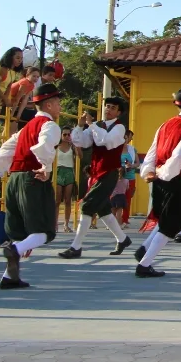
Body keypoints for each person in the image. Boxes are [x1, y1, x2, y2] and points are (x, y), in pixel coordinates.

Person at [0, 84, 63, 289]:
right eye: (57, 102)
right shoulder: (50, 126)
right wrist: (45, 166)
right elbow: (44, 145)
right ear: (48, 104)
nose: (60, 106)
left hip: (14, 180)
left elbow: (6, 150)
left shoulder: (25, 128)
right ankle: (16, 250)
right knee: (44, 230)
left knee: (20, 233)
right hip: (33, 180)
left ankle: (9, 276)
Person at [134, 88, 181, 277]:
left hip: (159, 179)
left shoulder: (165, 125)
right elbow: (178, 157)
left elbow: (152, 152)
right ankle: (145, 264)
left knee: (165, 219)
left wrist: (148, 172)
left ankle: (144, 249)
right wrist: (164, 174)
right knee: (172, 224)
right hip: (174, 179)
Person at [59, 96, 131, 258]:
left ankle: (76, 247)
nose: (108, 110)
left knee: (86, 205)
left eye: (112, 108)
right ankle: (122, 238)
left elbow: (107, 141)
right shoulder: (97, 125)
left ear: (118, 112)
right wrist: (79, 125)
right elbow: (81, 142)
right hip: (97, 172)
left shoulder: (119, 128)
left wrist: (91, 125)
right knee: (103, 209)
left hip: (109, 173)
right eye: (107, 106)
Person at [55, 127, 77, 233]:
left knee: (68, 200)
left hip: (69, 172)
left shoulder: (72, 147)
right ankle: (55, 224)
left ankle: (66, 224)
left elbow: (80, 156)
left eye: (69, 134)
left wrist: (75, 146)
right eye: (65, 135)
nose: (67, 136)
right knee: (57, 200)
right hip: (58, 171)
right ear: (61, 135)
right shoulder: (56, 147)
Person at [120, 130, 138, 228]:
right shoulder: (115, 149)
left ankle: (125, 219)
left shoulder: (132, 149)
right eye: (122, 138)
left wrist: (132, 165)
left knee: (127, 199)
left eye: (126, 138)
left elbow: (137, 163)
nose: (124, 140)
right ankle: (115, 220)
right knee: (116, 198)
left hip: (130, 176)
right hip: (119, 177)